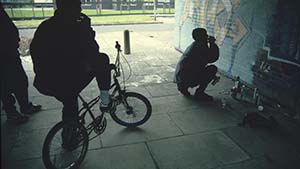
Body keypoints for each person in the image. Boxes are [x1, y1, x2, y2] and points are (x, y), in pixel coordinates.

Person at [30, 0, 111, 134]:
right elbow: (93, 51)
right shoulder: (76, 27)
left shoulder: (45, 26)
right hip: (65, 79)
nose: (80, 10)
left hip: (44, 81)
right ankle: (105, 101)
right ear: (70, 8)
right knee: (102, 59)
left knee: (69, 101)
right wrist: (87, 29)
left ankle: (70, 133)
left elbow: (36, 52)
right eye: (78, 6)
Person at [0, 3, 42, 123]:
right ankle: (12, 111)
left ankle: (24, 106)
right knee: (5, 85)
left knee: (20, 80)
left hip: (10, 52)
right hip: (4, 55)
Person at [174, 28, 219, 102]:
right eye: (205, 35)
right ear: (201, 37)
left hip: (180, 79)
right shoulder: (200, 47)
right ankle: (199, 93)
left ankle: (183, 88)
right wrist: (212, 44)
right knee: (212, 69)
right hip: (188, 79)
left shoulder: (194, 45)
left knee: (194, 71)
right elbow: (213, 58)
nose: (207, 36)